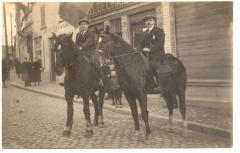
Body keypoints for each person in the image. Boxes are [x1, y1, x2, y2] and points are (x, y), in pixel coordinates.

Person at [141, 16, 166, 95]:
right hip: (148, 58)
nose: (148, 22)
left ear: (154, 22)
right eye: (146, 21)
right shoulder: (144, 33)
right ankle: (151, 88)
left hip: (158, 56)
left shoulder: (159, 31)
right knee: (146, 72)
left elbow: (160, 44)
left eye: (150, 20)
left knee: (161, 76)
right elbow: (141, 44)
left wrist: (150, 49)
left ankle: (168, 97)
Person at [75, 17, 104, 86]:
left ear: (88, 25)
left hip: (89, 52)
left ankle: (99, 79)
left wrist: (81, 47)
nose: (82, 26)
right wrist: (75, 49)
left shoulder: (91, 33)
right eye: (81, 24)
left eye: (84, 24)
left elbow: (89, 42)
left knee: (94, 63)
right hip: (80, 53)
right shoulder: (78, 34)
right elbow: (76, 43)